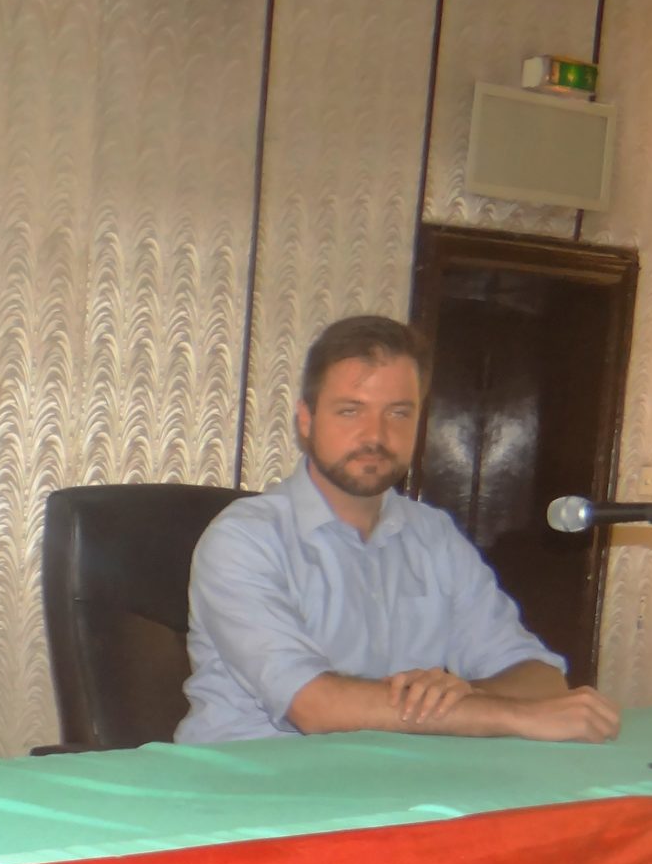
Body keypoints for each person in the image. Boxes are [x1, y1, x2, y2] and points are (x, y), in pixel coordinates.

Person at [177, 314, 621, 745]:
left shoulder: (434, 536)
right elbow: (315, 707)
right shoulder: (244, 539)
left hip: (395, 784)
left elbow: (540, 677)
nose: (376, 435)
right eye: (351, 411)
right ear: (306, 421)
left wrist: (465, 695)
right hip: (254, 789)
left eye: (398, 413)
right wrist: (505, 715)